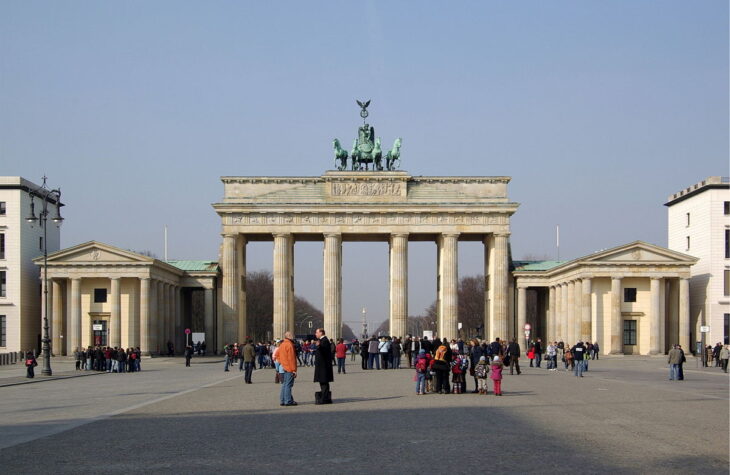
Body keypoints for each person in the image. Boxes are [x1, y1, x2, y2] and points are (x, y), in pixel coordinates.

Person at [275, 332, 298, 406]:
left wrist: (282, 362)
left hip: (284, 367)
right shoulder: (289, 345)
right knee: (288, 385)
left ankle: (282, 400)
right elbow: (291, 359)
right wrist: (294, 370)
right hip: (289, 368)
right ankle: (288, 401)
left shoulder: (282, 344)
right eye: (292, 335)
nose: (293, 336)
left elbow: (277, 355)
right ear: (288, 336)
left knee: (284, 384)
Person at [314, 328, 334, 404]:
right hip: (323, 366)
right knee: (323, 382)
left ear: (321, 333)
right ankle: (325, 398)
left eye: (316, 332)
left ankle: (325, 399)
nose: (315, 334)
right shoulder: (323, 340)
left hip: (323, 367)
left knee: (324, 382)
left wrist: (320, 346)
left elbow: (325, 352)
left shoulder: (324, 341)